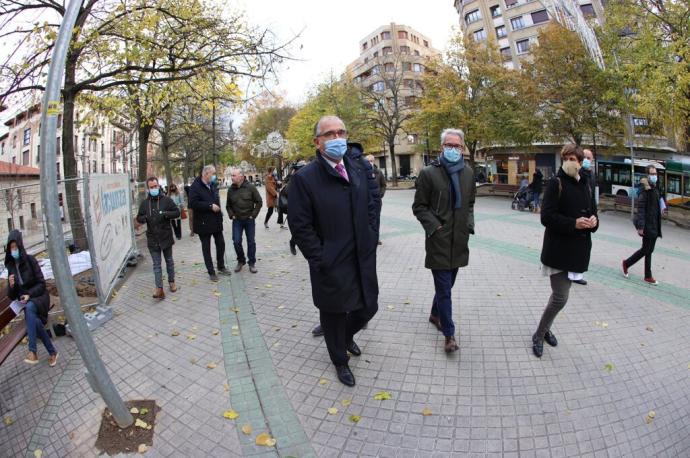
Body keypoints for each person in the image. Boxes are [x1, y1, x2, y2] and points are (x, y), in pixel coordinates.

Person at [290, 115, 379, 387]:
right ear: (318, 142)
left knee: (368, 307)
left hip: (362, 256)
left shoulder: (358, 168)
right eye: (330, 134)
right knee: (334, 314)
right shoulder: (305, 178)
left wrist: (371, 236)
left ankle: (346, 337)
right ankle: (339, 360)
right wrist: (320, 258)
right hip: (331, 261)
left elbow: (372, 204)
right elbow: (300, 225)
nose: (337, 138)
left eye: (341, 132)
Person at [412, 128, 475, 353]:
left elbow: (469, 204)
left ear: (462, 148)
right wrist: (435, 227)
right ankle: (449, 335)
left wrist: (469, 225)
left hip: (459, 241)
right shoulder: (429, 173)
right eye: (448, 145)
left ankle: (434, 314)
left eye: (456, 146)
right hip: (439, 240)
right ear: (441, 147)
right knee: (445, 290)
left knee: (447, 286)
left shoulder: (468, 173)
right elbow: (419, 206)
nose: (452, 149)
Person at [532, 144, 598, 358]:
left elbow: (593, 215)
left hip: (578, 251)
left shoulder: (587, 183)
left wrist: (593, 222)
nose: (572, 162)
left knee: (558, 298)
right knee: (561, 297)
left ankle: (546, 328)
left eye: (576, 158)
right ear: (563, 160)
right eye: (567, 158)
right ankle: (538, 334)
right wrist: (574, 224)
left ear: (581, 162)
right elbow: (546, 217)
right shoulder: (555, 183)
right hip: (558, 251)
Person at [4, 230, 58, 366]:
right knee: (35, 321)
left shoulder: (30, 260)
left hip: (40, 297)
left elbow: (42, 284)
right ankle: (53, 352)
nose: (14, 250)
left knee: (29, 308)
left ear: (20, 246)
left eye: (16, 247)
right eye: (11, 248)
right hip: (26, 303)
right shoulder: (10, 267)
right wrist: (11, 286)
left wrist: (30, 295)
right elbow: (12, 296)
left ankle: (32, 351)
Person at [136, 176, 180, 298]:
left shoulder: (166, 200)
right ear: (148, 188)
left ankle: (172, 282)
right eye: (151, 187)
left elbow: (176, 212)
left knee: (169, 261)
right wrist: (144, 218)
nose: (154, 188)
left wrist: (166, 214)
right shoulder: (145, 203)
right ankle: (159, 288)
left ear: (158, 186)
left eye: (155, 186)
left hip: (166, 237)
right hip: (152, 239)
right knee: (156, 265)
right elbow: (139, 217)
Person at [622, 165, 663, 285]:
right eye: (652, 174)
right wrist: (640, 227)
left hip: (655, 224)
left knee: (649, 250)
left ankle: (647, 275)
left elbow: (657, 203)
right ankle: (627, 264)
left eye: (655, 174)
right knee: (646, 250)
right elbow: (641, 209)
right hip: (647, 225)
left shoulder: (655, 188)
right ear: (647, 175)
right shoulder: (645, 190)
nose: (654, 176)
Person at [188, 165, 230, 281]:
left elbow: (217, 200)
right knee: (206, 248)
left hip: (216, 221)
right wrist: (210, 206)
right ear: (206, 174)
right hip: (203, 223)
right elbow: (193, 204)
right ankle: (211, 272)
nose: (214, 176)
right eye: (213, 173)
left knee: (221, 244)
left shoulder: (212, 185)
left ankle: (221, 266)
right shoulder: (195, 187)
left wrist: (220, 214)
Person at [226, 167, 262, 273]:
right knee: (236, 241)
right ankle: (241, 261)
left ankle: (252, 263)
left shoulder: (250, 187)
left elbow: (259, 202)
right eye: (231, 175)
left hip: (249, 220)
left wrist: (253, 215)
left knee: (251, 242)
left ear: (241, 176)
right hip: (237, 220)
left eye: (234, 175)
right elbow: (228, 206)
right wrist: (231, 215)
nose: (232, 177)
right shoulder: (230, 190)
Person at [572, 149, 596, 285]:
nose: (587, 160)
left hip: (588, 213)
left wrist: (594, 215)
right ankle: (572, 273)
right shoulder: (576, 172)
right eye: (585, 157)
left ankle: (578, 273)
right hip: (577, 214)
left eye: (589, 158)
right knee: (575, 245)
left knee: (585, 246)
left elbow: (592, 196)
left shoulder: (591, 174)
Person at [366, 154, 386, 245]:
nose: (370, 162)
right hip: (365, 202)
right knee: (367, 220)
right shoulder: (362, 172)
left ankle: (376, 239)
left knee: (376, 220)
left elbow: (383, 185)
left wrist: (380, 195)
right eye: (368, 161)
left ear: (374, 161)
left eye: (371, 160)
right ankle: (368, 238)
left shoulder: (378, 172)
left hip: (377, 201)